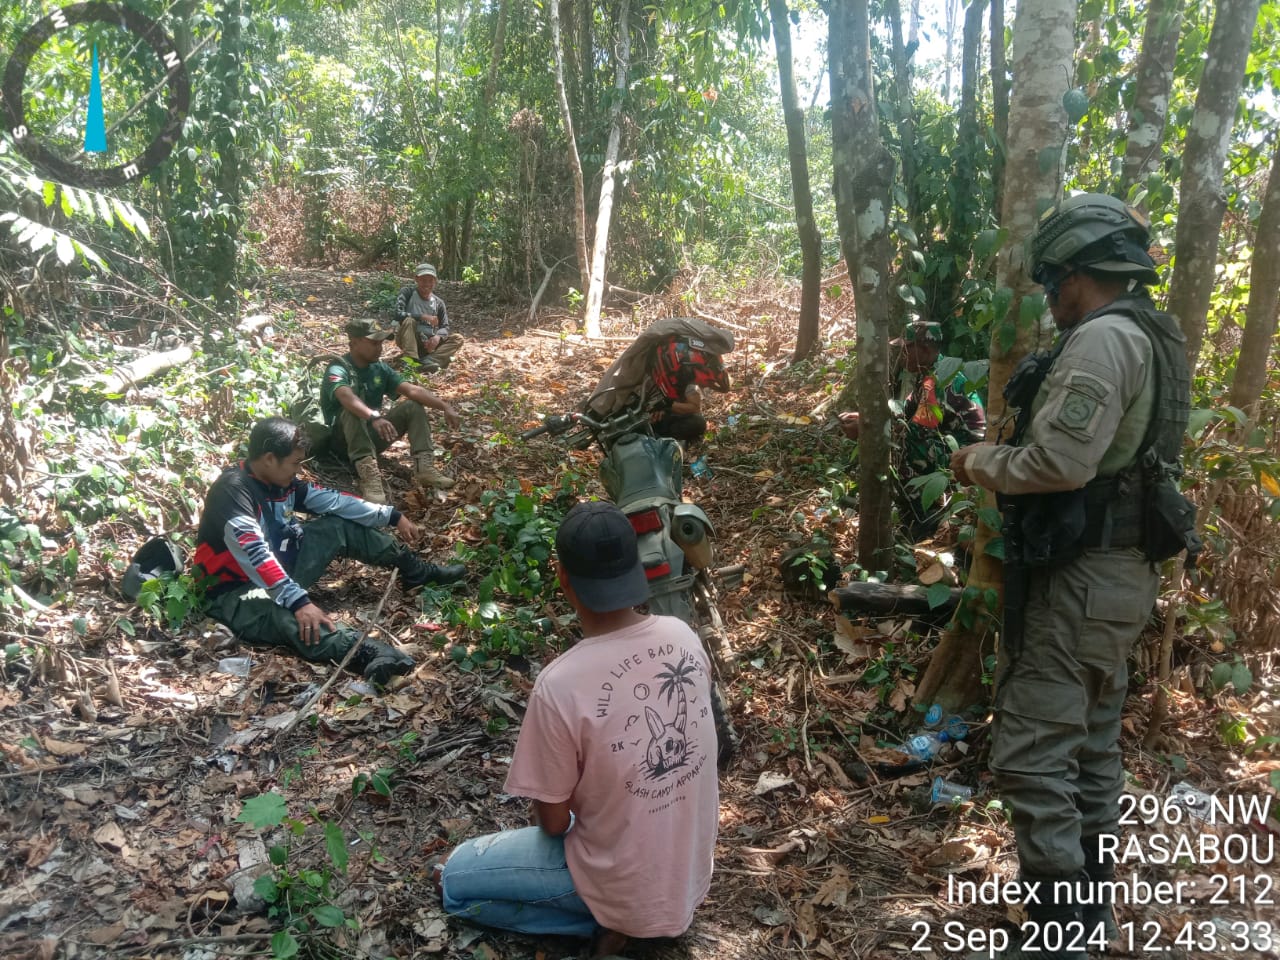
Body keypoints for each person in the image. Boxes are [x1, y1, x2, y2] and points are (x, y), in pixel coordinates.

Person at [949, 194, 1195, 960]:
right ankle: (1090, 918)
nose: (1051, 301)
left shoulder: (1102, 342)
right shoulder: (1150, 334)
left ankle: (1064, 936)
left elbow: (1058, 463)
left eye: (1054, 284)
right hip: (1115, 580)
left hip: (1081, 579)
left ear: (1080, 275)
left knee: (1030, 751)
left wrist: (975, 462)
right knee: (1089, 745)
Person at [437, 502, 719, 958]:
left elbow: (553, 823)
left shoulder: (560, 684)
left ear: (563, 577)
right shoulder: (682, 634)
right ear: (637, 568)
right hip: (688, 873)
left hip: (621, 875)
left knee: (455, 881)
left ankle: (610, 918)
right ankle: (634, 916)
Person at [193, 418, 467, 685]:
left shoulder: (282, 482)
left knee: (337, 526)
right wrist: (298, 602)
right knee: (286, 616)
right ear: (268, 459)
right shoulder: (232, 491)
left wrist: (391, 516)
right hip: (234, 592)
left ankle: (415, 571)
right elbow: (254, 552)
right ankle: (363, 651)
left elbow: (335, 502)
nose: (297, 471)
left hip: (281, 569)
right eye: (294, 463)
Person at [839, 321, 986, 537]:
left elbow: (914, 433)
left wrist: (867, 429)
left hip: (966, 455)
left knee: (905, 447)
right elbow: (903, 414)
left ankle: (923, 517)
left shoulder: (939, 380)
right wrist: (865, 418)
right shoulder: (928, 374)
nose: (902, 355)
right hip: (950, 446)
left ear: (925, 349)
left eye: (907, 349)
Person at [321, 317, 461, 503]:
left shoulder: (379, 368)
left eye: (381, 342)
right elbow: (345, 396)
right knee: (351, 411)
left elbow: (411, 390)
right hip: (341, 443)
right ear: (354, 343)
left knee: (412, 406)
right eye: (373, 342)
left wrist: (445, 406)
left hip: (371, 438)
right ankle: (369, 478)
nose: (379, 347)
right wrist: (373, 417)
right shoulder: (338, 368)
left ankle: (424, 468)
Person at [394, 263, 463, 370]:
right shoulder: (407, 292)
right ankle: (411, 361)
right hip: (407, 338)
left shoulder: (439, 302)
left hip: (427, 343)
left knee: (458, 338)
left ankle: (427, 362)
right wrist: (422, 316)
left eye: (430, 280)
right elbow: (398, 314)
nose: (427, 284)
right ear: (416, 279)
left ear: (435, 281)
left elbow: (445, 327)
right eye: (423, 280)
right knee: (409, 320)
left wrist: (437, 337)